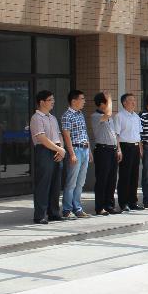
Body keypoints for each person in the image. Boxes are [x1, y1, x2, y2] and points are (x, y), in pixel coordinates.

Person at [29, 90, 65, 225]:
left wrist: (61, 149)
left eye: (53, 99)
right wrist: (59, 149)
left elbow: (59, 134)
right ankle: (40, 215)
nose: (53, 102)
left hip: (56, 150)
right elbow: (41, 138)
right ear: (42, 102)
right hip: (44, 150)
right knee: (43, 184)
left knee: (56, 184)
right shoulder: (36, 118)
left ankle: (54, 213)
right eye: (50, 100)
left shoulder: (53, 118)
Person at [60, 89, 90, 220]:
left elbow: (84, 133)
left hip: (85, 149)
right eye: (82, 99)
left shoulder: (80, 114)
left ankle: (77, 208)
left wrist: (89, 151)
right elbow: (66, 136)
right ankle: (67, 210)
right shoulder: (67, 115)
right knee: (71, 182)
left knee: (80, 182)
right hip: (76, 149)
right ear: (73, 101)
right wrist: (72, 153)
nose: (84, 101)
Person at [91, 92, 122, 216]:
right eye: (108, 102)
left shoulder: (109, 118)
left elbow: (114, 134)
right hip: (102, 150)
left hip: (112, 149)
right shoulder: (95, 116)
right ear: (102, 104)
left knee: (112, 179)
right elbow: (108, 113)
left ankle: (109, 205)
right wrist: (109, 98)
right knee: (102, 179)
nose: (109, 104)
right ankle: (100, 207)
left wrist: (118, 149)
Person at [114, 93, 143, 212]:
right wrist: (119, 149)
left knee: (134, 175)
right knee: (125, 176)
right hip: (125, 147)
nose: (134, 102)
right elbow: (116, 134)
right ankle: (123, 202)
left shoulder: (136, 117)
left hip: (135, 147)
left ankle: (133, 201)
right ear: (124, 103)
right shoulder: (119, 116)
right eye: (131, 100)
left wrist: (140, 149)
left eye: (134, 100)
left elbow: (138, 135)